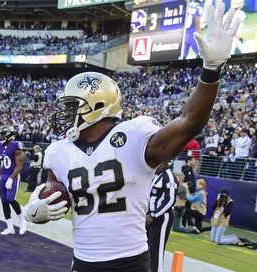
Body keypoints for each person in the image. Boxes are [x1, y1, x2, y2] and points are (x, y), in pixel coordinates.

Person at [22, 3, 240, 271]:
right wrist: (39, 207)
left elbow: (189, 124)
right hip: (83, 261)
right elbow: (57, 197)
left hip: (130, 263)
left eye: (72, 105)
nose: (66, 113)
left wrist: (211, 70)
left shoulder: (134, 135)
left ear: (99, 106)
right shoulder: (58, 151)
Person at [0, 125, 27, 235]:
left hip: (13, 176)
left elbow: (20, 165)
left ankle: (22, 221)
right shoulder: (0, 146)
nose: (1, 136)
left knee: (10, 198)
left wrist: (11, 178)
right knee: (4, 201)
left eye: (3, 134)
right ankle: (9, 227)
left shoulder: (16, 146)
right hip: (3, 176)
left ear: (9, 135)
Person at [146, 161, 178, 272]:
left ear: (164, 162)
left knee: (156, 251)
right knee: (146, 249)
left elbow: (170, 200)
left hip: (161, 218)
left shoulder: (169, 176)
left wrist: (153, 215)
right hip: (149, 217)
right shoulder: (155, 174)